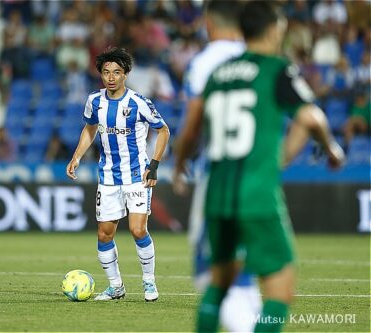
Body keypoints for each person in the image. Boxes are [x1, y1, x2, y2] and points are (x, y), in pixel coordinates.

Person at [175, 2, 345, 332]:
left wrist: (180, 165)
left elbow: (191, 130)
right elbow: (311, 117)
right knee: (280, 287)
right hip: (256, 194)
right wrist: (332, 149)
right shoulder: (276, 68)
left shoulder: (218, 74)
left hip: (217, 193)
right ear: (272, 30)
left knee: (219, 284)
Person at [173, 1, 261, 332]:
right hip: (259, 177)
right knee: (247, 273)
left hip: (220, 176)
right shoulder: (259, 58)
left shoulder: (205, 63)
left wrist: (180, 164)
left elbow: (193, 126)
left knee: (211, 274)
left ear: (207, 21)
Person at [66, 47, 170, 302]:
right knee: (104, 234)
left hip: (137, 175)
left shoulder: (138, 103)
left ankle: (148, 282)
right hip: (109, 177)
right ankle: (116, 287)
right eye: (106, 72)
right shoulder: (95, 101)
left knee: (137, 230)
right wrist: (76, 157)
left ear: (125, 75)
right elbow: (90, 129)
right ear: (101, 75)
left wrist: (154, 164)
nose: (110, 77)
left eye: (116, 72)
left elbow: (164, 130)